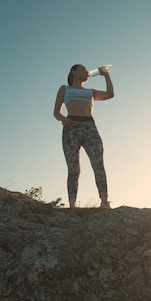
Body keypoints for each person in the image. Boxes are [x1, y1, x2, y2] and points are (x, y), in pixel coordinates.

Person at [53, 64, 114, 208]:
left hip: (89, 127)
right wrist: (63, 119)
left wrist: (105, 75)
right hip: (71, 127)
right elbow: (56, 112)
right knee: (74, 168)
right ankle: (72, 204)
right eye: (83, 69)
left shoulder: (90, 92)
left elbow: (110, 94)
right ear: (74, 71)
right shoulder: (65, 89)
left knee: (98, 163)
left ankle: (104, 201)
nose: (87, 72)